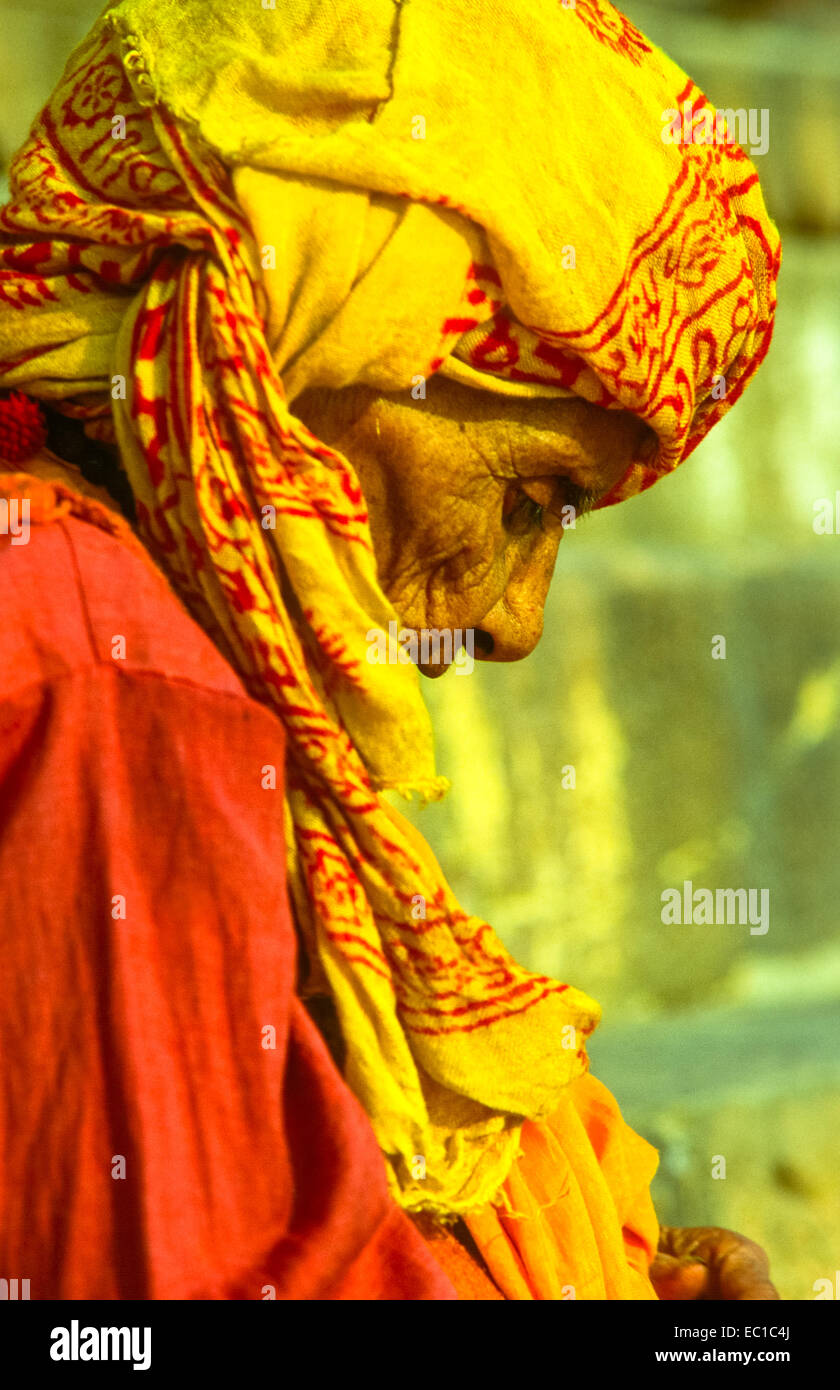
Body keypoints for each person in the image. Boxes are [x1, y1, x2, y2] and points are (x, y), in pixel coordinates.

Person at [0, 0, 781, 1299]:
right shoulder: (111, 690)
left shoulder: (105, 610)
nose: (516, 622)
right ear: (301, 329)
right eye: (530, 499)